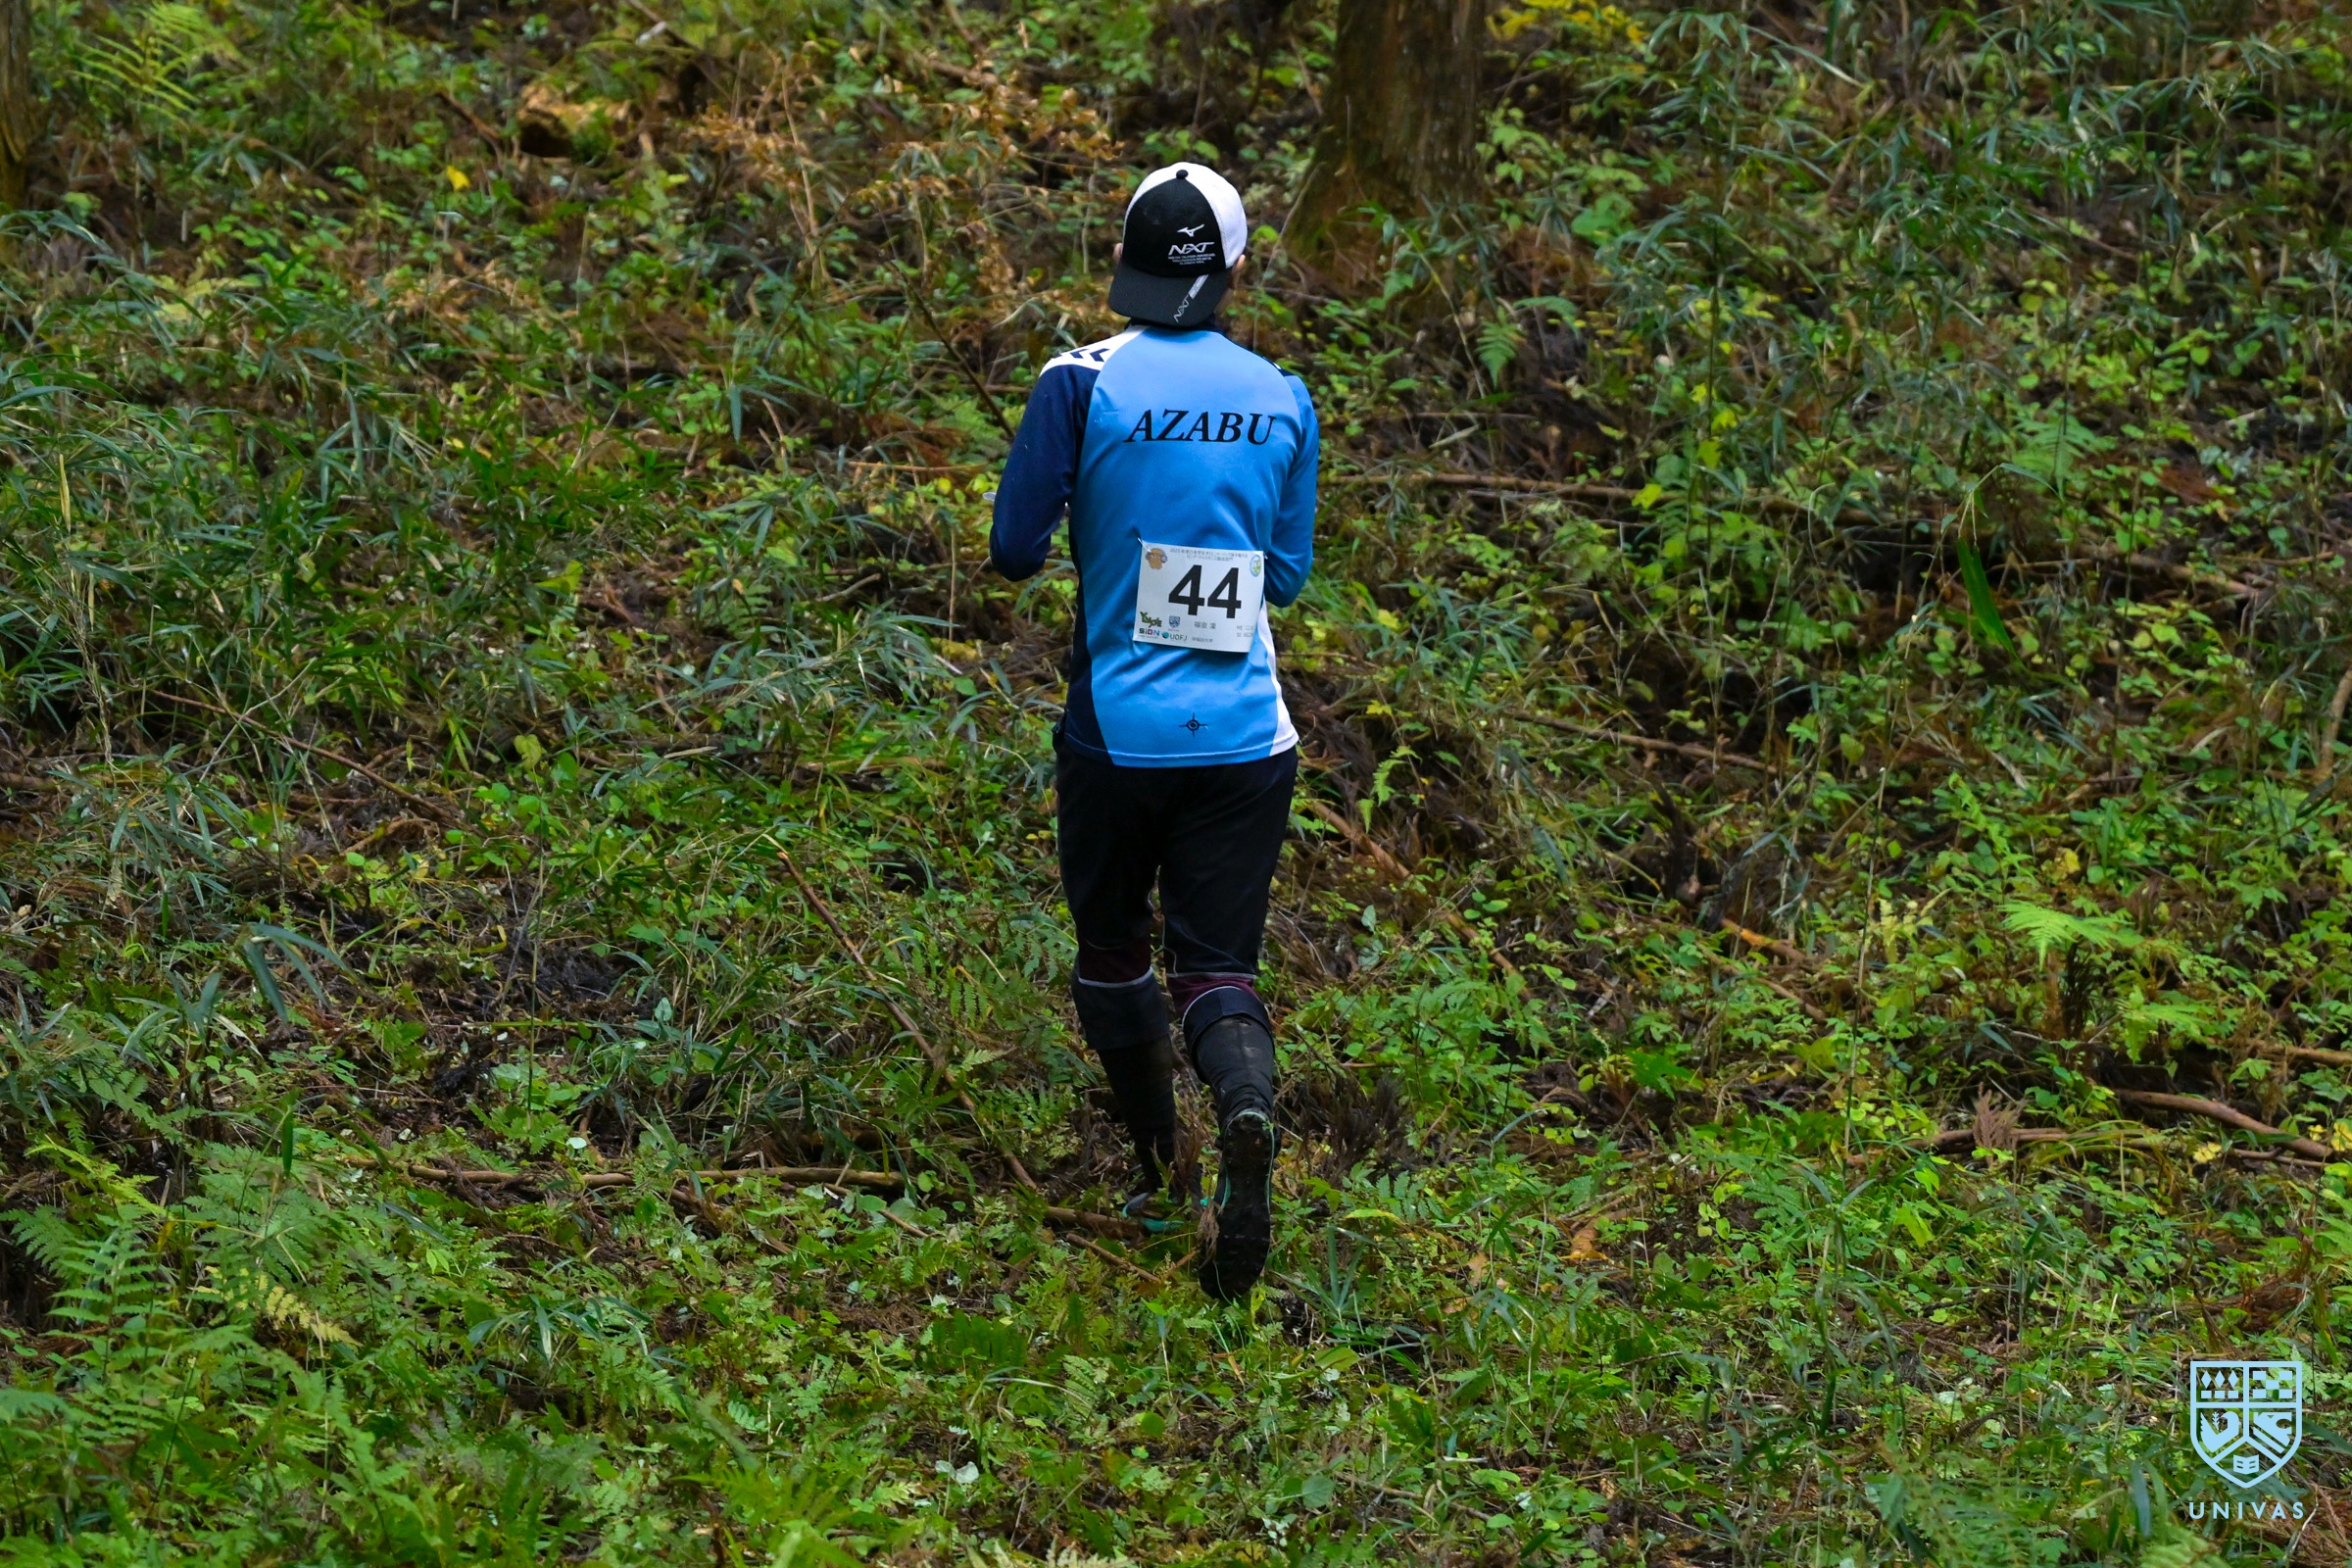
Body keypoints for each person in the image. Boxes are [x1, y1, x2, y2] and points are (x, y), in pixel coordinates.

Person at [988, 163, 1318, 1300]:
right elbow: (1286, 575)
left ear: (1123, 255)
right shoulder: (1285, 395)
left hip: (1117, 734)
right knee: (1216, 965)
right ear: (1235, 270)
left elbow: (1014, 550)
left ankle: (1159, 1174)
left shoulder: (1079, 383)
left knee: (1114, 948)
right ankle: (1244, 1107)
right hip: (1248, 739)